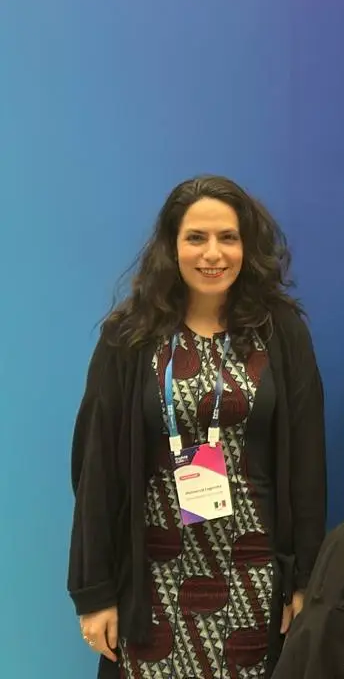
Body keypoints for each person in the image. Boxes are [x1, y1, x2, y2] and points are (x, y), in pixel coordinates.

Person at [69, 175, 327, 678]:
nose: (213, 253)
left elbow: (307, 463)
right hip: (152, 578)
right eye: (196, 238)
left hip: (253, 574)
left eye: (228, 237)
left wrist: (304, 581)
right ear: (172, 246)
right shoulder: (129, 336)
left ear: (247, 247)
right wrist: (95, 591)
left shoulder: (280, 331)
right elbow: (96, 466)